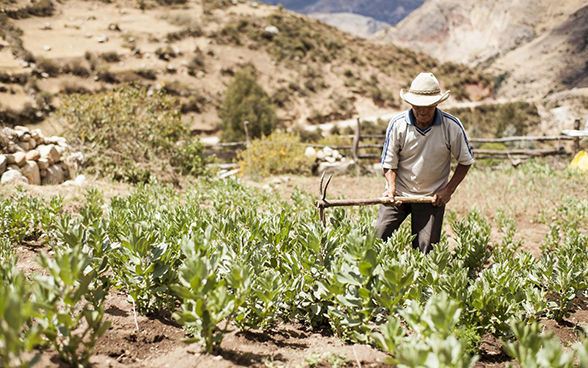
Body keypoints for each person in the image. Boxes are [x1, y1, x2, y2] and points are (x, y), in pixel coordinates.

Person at [375, 72, 474, 253]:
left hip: (431, 197)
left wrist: (448, 190)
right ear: (410, 103)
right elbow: (389, 162)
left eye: (428, 106)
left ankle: (421, 281)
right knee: (378, 239)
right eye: (417, 105)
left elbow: (465, 161)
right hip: (399, 194)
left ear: (437, 103)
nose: (422, 111)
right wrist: (391, 188)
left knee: (426, 250)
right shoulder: (398, 124)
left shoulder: (451, 126)